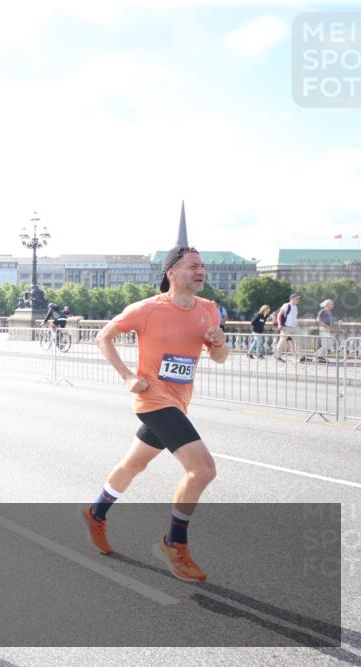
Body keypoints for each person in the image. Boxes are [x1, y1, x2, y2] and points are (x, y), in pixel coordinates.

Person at [83, 246, 226, 583]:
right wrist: (128, 377)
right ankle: (174, 542)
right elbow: (103, 337)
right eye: (193, 266)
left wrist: (220, 342)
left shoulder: (209, 310)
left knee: (134, 464)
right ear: (171, 272)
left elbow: (219, 357)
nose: (200, 270)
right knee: (202, 470)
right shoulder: (146, 309)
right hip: (153, 400)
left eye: (202, 266)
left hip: (178, 402)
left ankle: (95, 512)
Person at [274, 294, 304, 363]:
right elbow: (279, 314)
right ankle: (277, 356)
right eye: (297, 299)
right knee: (282, 341)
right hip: (287, 327)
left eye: (298, 299)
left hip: (295, 327)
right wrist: (280, 324)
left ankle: (301, 357)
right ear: (292, 299)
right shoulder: (286, 305)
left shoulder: (295, 307)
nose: (298, 300)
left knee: (298, 341)